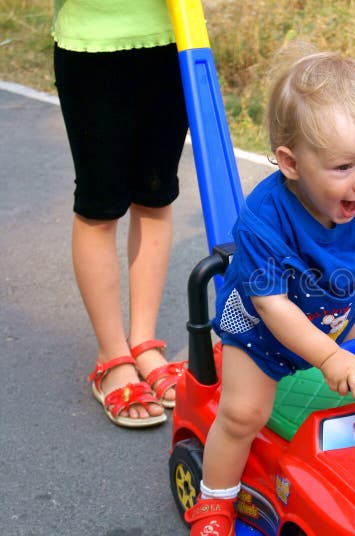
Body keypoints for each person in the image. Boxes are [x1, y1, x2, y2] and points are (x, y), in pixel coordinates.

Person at [183, 48, 355, 533]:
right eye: (343, 168)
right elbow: (273, 308)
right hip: (262, 331)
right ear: (291, 163)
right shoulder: (263, 220)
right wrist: (330, 359)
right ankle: (215, 498)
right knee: (243, 414)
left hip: (343, 309)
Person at [52, 0, 188, 427]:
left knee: (155, 197)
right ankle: (111, 357)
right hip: (92, 45)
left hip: (176, 37)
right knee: (100, 206)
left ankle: (144, 342)